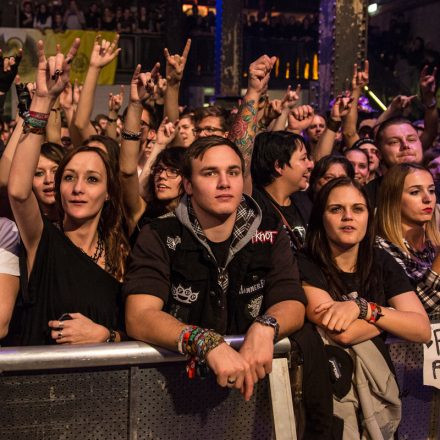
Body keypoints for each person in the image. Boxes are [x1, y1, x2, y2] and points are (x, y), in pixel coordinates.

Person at [124, 136, 306, 401]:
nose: (224, 182)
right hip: (171, 395)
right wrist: (204, 341)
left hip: (253, 392)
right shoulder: (159, 233)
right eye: (210, 173)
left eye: (233, 172)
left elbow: (292, 301)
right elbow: (138, 316)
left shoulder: (268, 231)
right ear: (188, 184)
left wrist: (266, 327)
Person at [7, 39, 129, 346]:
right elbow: (20, 192)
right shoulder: (44, 240)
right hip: (42, 389)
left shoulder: (122, 254)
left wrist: (106, 335)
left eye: (91, 180)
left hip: (105, 390)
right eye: (69, 178)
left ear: (109, 192)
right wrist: (43, 102)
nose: (77, 188)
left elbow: (137, 327)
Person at [298, 177, 430, 438]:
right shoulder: (304, 262)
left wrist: (364, 309)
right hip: (326, 396)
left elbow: (421, 328)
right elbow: (340, 332)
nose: (348, 217)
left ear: (369, 216)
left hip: (379, 392)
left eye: (358, 209)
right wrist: (392, 318)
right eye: (336, 209)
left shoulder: (381, 260)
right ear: (320, 217)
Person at [375, 163, 440, 439]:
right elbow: (418, 310)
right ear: (393, 199)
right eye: (415, 192)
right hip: (404, 371)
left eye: (432, 190)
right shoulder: (381, 248)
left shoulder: (431, 245)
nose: (428, 199)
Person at [250, 131, 313, 250]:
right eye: (303, 158)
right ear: (278, 166)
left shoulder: (306, 203)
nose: (310, 164)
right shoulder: (254, 208)